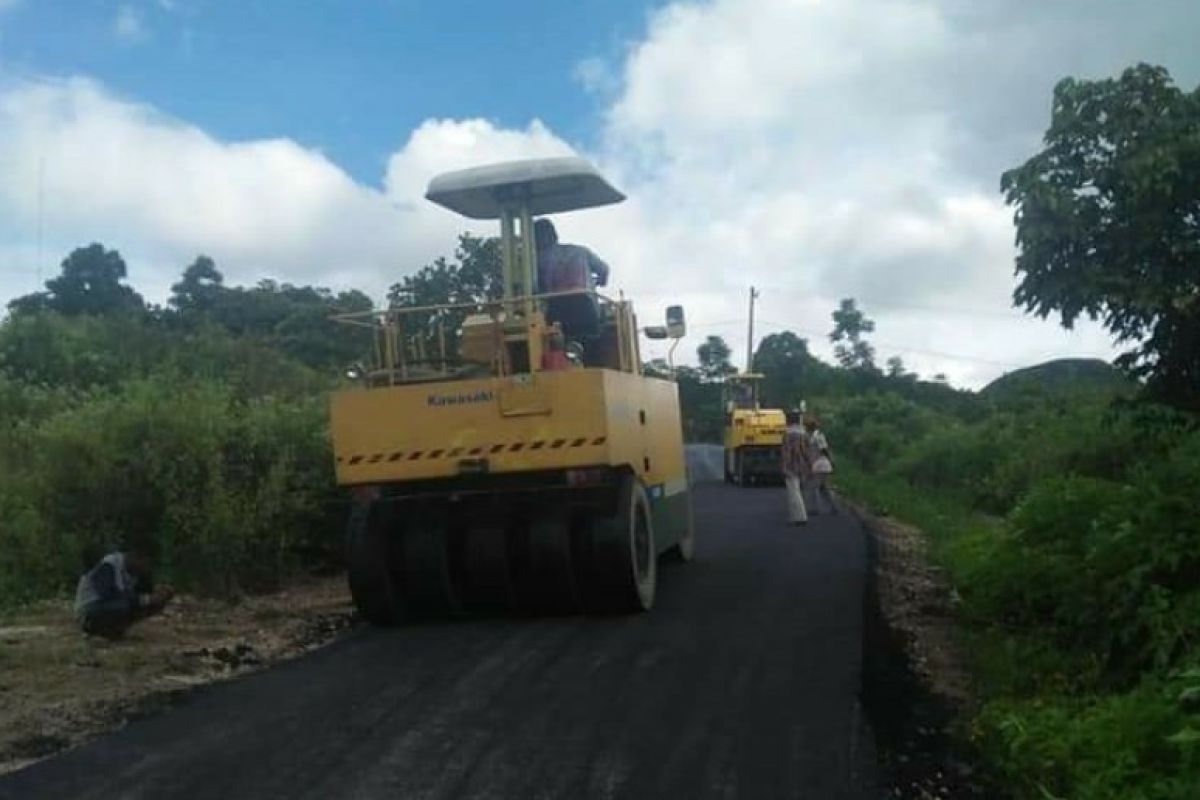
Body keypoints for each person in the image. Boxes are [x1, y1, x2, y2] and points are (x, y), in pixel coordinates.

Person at [74, 546, 174, 639]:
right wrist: (146, 599)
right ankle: (96, 630)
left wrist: (161, 592)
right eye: (144, 562)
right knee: (122, 605)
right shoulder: (109, 565)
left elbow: (146, 594)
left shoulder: (138, 573)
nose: (146, 567)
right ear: (134, 557)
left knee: (153, 603)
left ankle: (114, 631)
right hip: (90, 609)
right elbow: (106, 594)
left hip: (111, 605)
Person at [781, 409, 809, 526]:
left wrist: (785, 465)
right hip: (801, 464)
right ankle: (799, 516)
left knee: (793, 490)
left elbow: (786, 451)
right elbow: (805, 450)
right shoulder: (803, 433)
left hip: (792, 464)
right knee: (799, 490)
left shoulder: (788, 433)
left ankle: (799, 517)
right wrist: (809, 463)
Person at [805, 415, 836, 514]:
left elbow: (824, 449)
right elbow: (825, 449)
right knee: (825, 487)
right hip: (823, 464)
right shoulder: (815, 436)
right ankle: (833, 506)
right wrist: (831, 460)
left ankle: (815, 508)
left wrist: (831, 459)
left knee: (815, 487)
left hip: (818, 464)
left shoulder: (814, 437)